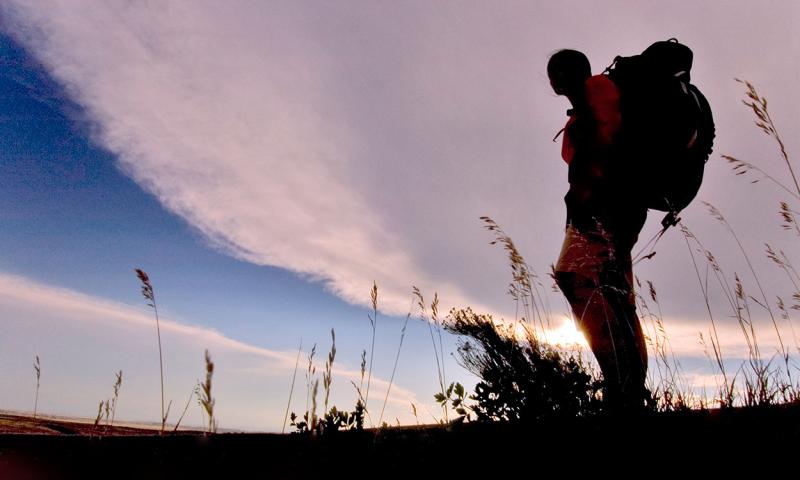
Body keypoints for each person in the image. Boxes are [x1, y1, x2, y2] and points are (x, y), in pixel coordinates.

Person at [548, 49, 651, 413]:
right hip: (620, 212)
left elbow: (601, 152)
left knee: (575, 278)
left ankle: (623, 387)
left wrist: (582, 206)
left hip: (603, 212)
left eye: (557, 70)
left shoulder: (597, 96)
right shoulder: (597, 97)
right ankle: (629, 390)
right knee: (615, 293)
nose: (552, 78)